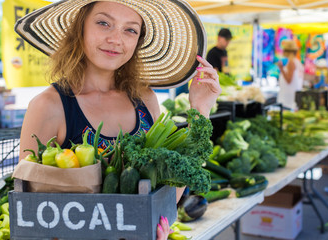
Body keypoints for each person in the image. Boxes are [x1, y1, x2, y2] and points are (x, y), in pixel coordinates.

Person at [16, 0, 221, 239]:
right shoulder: (49, 107)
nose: (116, 39)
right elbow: (28, 212)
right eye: (104, 23)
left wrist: (200, 110)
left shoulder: (145, 99)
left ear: (138, 41)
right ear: (79, 28)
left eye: (130, 30)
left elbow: (168, 197)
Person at [277, 39, 304, 110]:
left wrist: (281, 69)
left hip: (288, 99)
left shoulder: (291, 63)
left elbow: (289, 80)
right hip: (293, 97)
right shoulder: (297, 62)